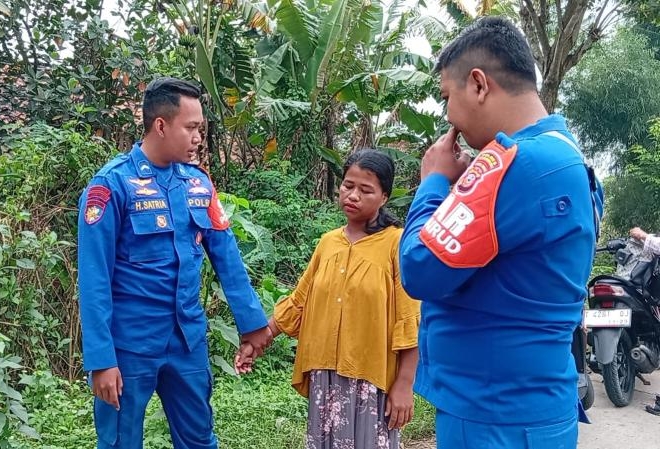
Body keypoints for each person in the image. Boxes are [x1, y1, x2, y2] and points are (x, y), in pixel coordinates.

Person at [398, 17, 599, 449]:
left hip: (493, 416)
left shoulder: (515, 162)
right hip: (532, 407)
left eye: (447, 97)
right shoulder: (567, 158)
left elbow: (418, 268)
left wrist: (432, 182)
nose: (448, 115)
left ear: (478, 84)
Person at [77, 77, 273, 449]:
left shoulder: (198, 185)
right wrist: (101, 359)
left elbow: (227, 257)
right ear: (161, 125)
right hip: (129, 346)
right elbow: (93, 279)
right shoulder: (111, 185)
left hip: (187, 342)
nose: (199, 137)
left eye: (201, 128)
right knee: (120, 442)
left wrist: (252, 324)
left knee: (199, 439)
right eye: (192, 128)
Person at [237, 149, 420, 448]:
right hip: (326, 377)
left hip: (371, 380)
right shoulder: (327, 243)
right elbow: (299, 301)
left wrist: (404, 384)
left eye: (366, 190)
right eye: (348, 185)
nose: (353, 196)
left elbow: (408, 318)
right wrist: (261, 337)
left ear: (384, 197)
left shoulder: (395, 244)